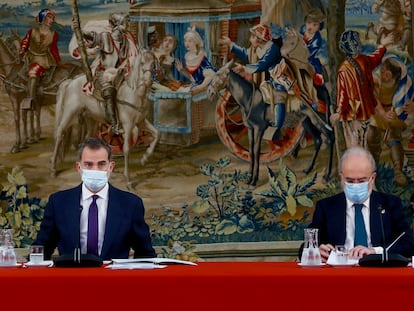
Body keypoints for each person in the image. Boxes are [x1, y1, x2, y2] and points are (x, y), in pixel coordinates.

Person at [33, 137, 156, 261]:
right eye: (88, 164)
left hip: (113, 278)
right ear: (79, 167)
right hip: (72, 277)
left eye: (101, 164)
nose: (95, 169)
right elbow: (41, 250)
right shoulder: (59, 203)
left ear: (111, 167)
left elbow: (145, 253)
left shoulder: (130, 204)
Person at [301, 146, 414, 263]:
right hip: (338, 273)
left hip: (378, 272)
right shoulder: (326, 207)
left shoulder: (390, 204)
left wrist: (375, 252)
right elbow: (305, 245)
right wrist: (315, 250)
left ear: (373, 178)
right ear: (341, 178)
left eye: (361, 181)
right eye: (349, 181)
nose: (355, 185)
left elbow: (408, 243)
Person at [72, 12, 138, 135]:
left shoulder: (125, 40)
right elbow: (88, 36)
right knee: (109, 92)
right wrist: (77, 28)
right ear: (118, 25)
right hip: (104, 72)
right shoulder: (104, 36)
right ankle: (115, 125)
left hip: (120, 73)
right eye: (125, 23)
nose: (128, 25)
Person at [218, 23, 286, 136]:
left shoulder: (272, 49)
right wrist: (230, 44)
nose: (250, 39)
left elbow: (261, 65)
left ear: (259, 39)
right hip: (264, 79)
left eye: (252, 37)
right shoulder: (257, 49)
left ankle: (277, 127)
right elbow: (246, 54)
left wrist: (244, 68)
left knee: (279, 95)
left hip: (278, 77)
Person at [330, 30, 395, 148]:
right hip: (353, 115)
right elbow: (343, 95)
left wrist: (383, 45)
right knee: (355, 146)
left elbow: (375, 59)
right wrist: (339, 112)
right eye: (358, 41)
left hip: (363, 114)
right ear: (354, 45)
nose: (361, 42)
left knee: (363, 145)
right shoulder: (344, 70)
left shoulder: (363, 60)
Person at [366, 57, 413, 187]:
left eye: (387, 75)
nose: (383, 75)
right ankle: (371, 170)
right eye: (382, 71)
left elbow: (407, 100)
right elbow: (373, 98)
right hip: (378, 112)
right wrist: (383, 114)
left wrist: (411, 106)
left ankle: (398, 172)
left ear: (395, 77)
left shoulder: (404, 84)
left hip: (394, 114)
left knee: (393, 139)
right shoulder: (376, 78)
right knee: (371, 138)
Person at [19, 8, 61, 109]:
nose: (51, 20)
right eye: (49, 18)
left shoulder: (53, 34)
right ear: (43, 18)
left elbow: (53, 49)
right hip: (30, 56)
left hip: (43, 59)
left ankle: (30, 99)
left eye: (52, 18)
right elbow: (26, 41)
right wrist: (23, 50)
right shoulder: (32, 31)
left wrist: (58, 61)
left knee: (34, 70)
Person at [175, 26, 216, 95]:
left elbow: (211, 75)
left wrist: (200, 87)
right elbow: (193, 78)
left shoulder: (201, 57)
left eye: (190, 41)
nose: (186, 44)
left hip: (206, 88)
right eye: (185, 41)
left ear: (196, 42)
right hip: (196, 86)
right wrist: (182, 70)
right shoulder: (188, 56)